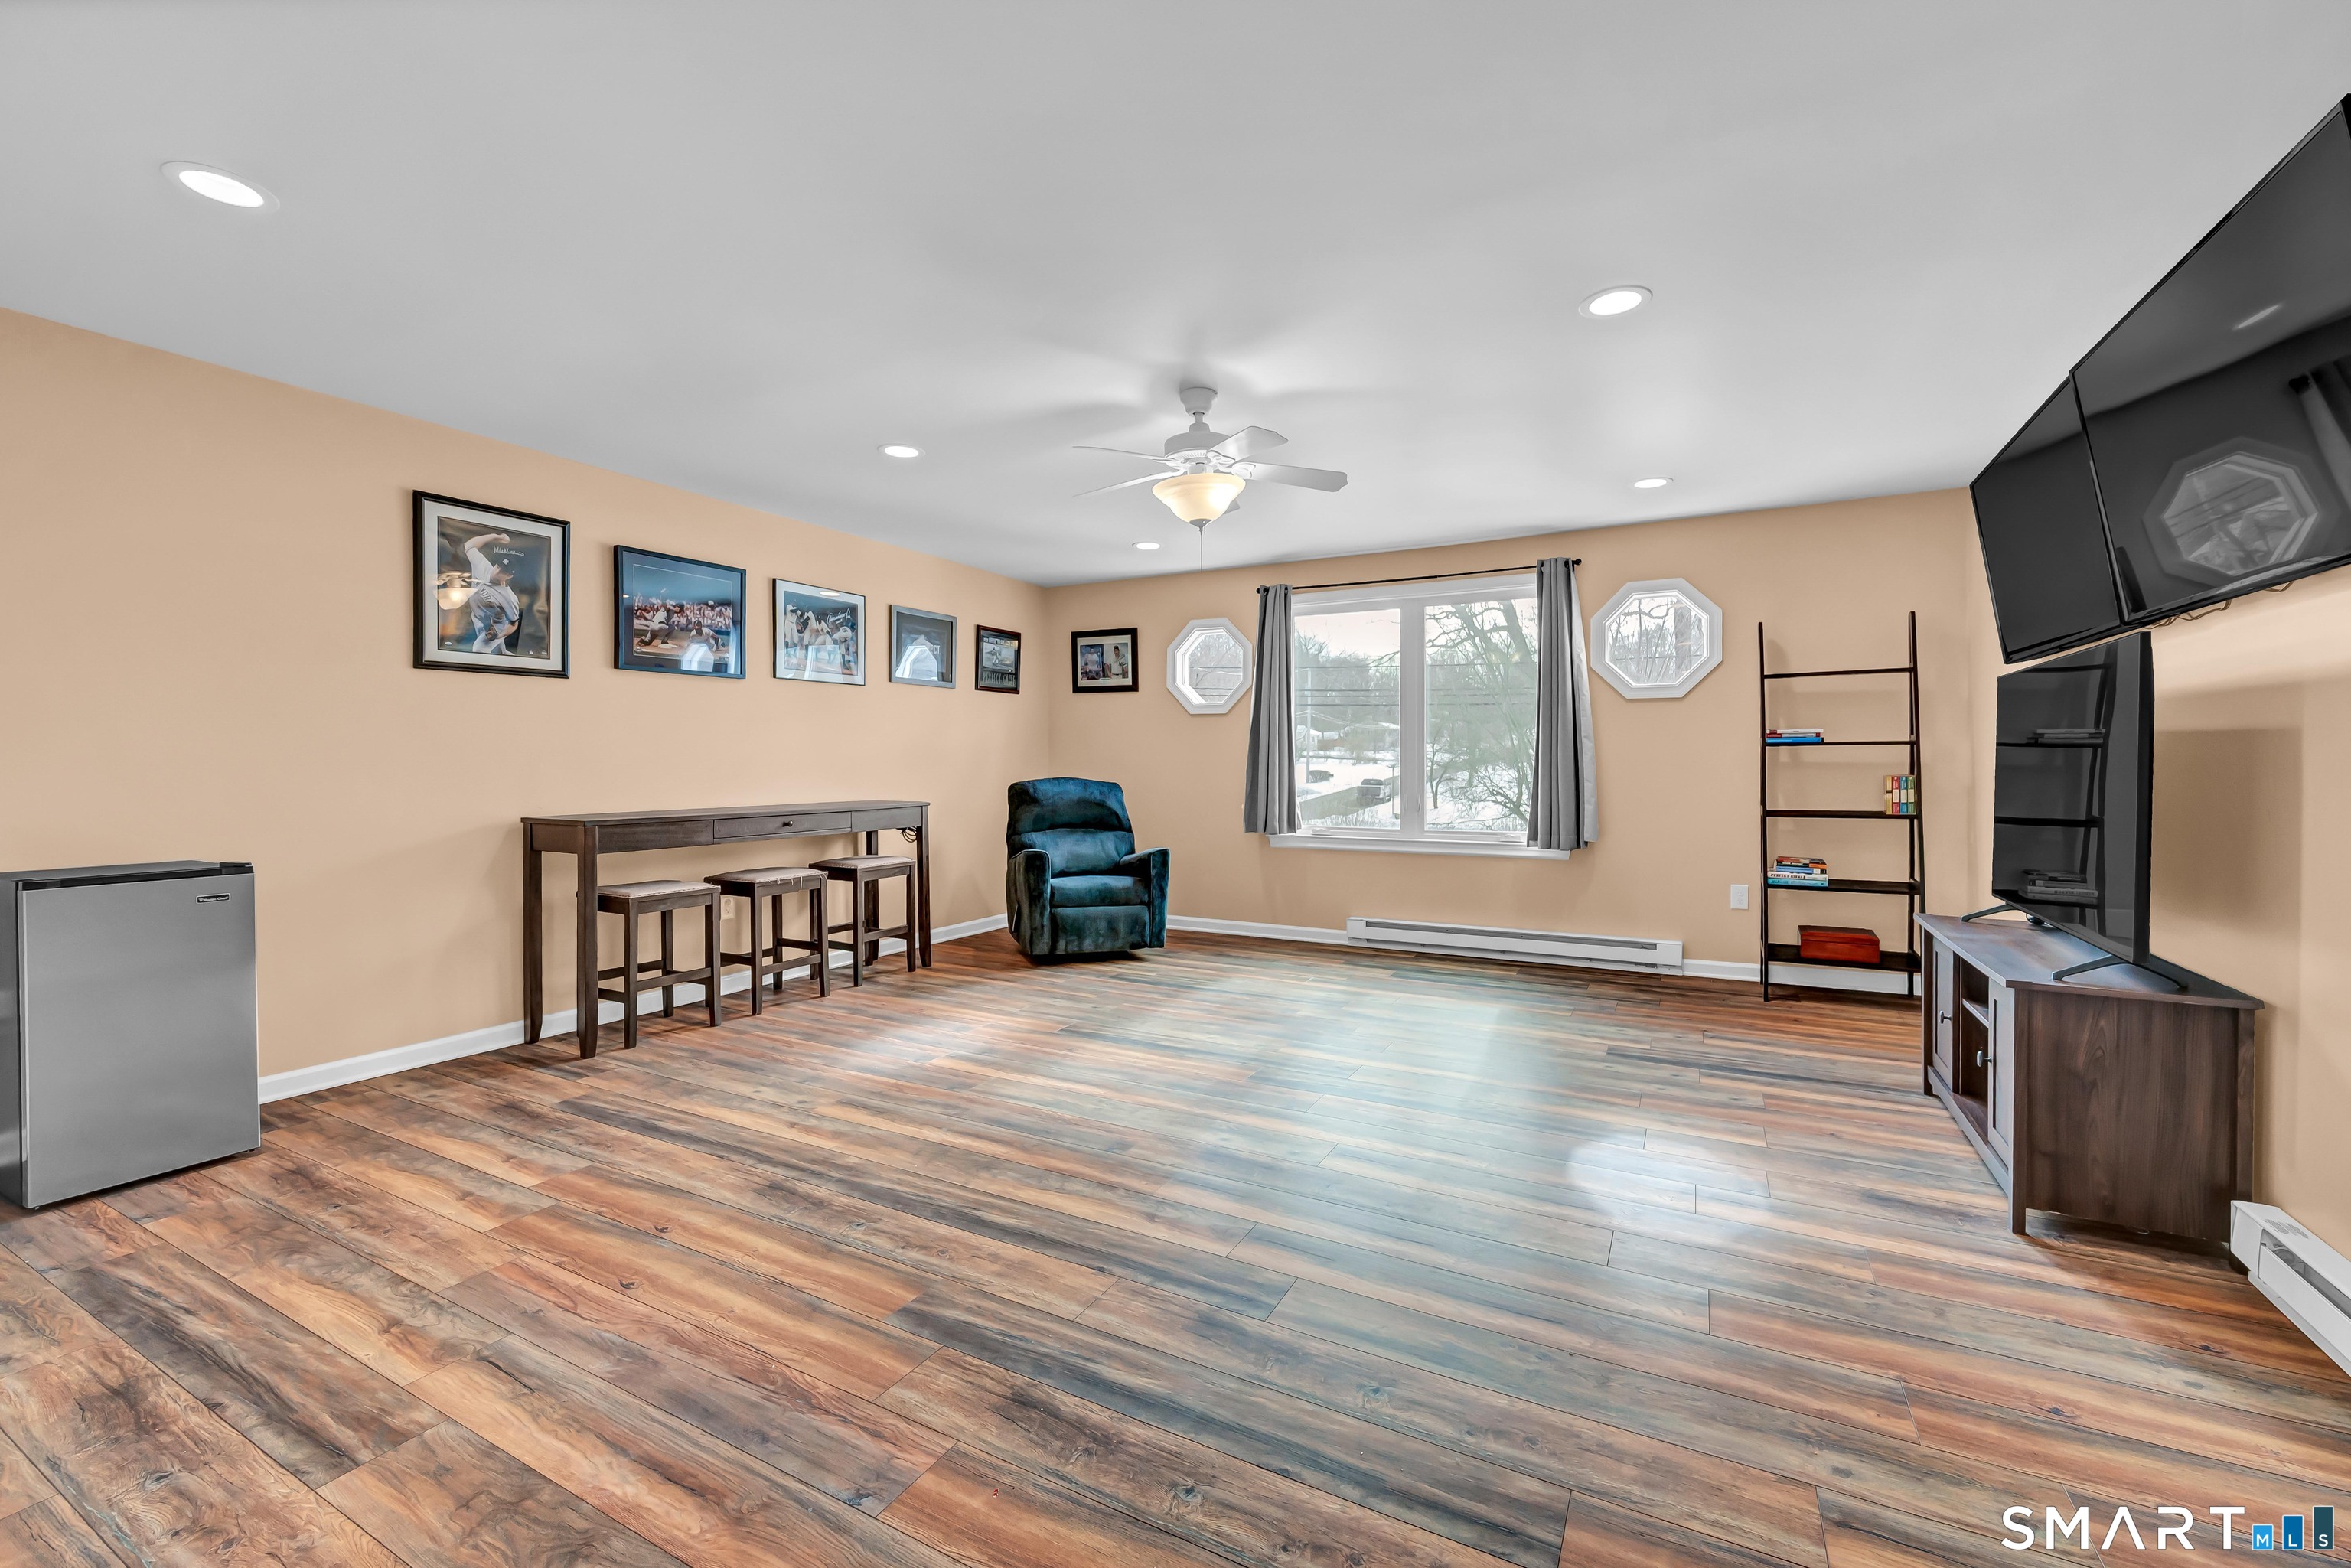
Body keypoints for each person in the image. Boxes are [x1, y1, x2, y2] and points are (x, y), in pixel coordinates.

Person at [461, 533, 521, 654]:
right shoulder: (483, 566)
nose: (497, 571)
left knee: (479, 649)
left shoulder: (509, 598)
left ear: (509, 576)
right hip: (477, 618)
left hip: (497, 625)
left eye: (502, 571)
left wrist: (499, 635)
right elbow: (468, 546)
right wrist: (495, 536)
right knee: (499, 654)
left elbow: (513, 624)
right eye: (498, 566)